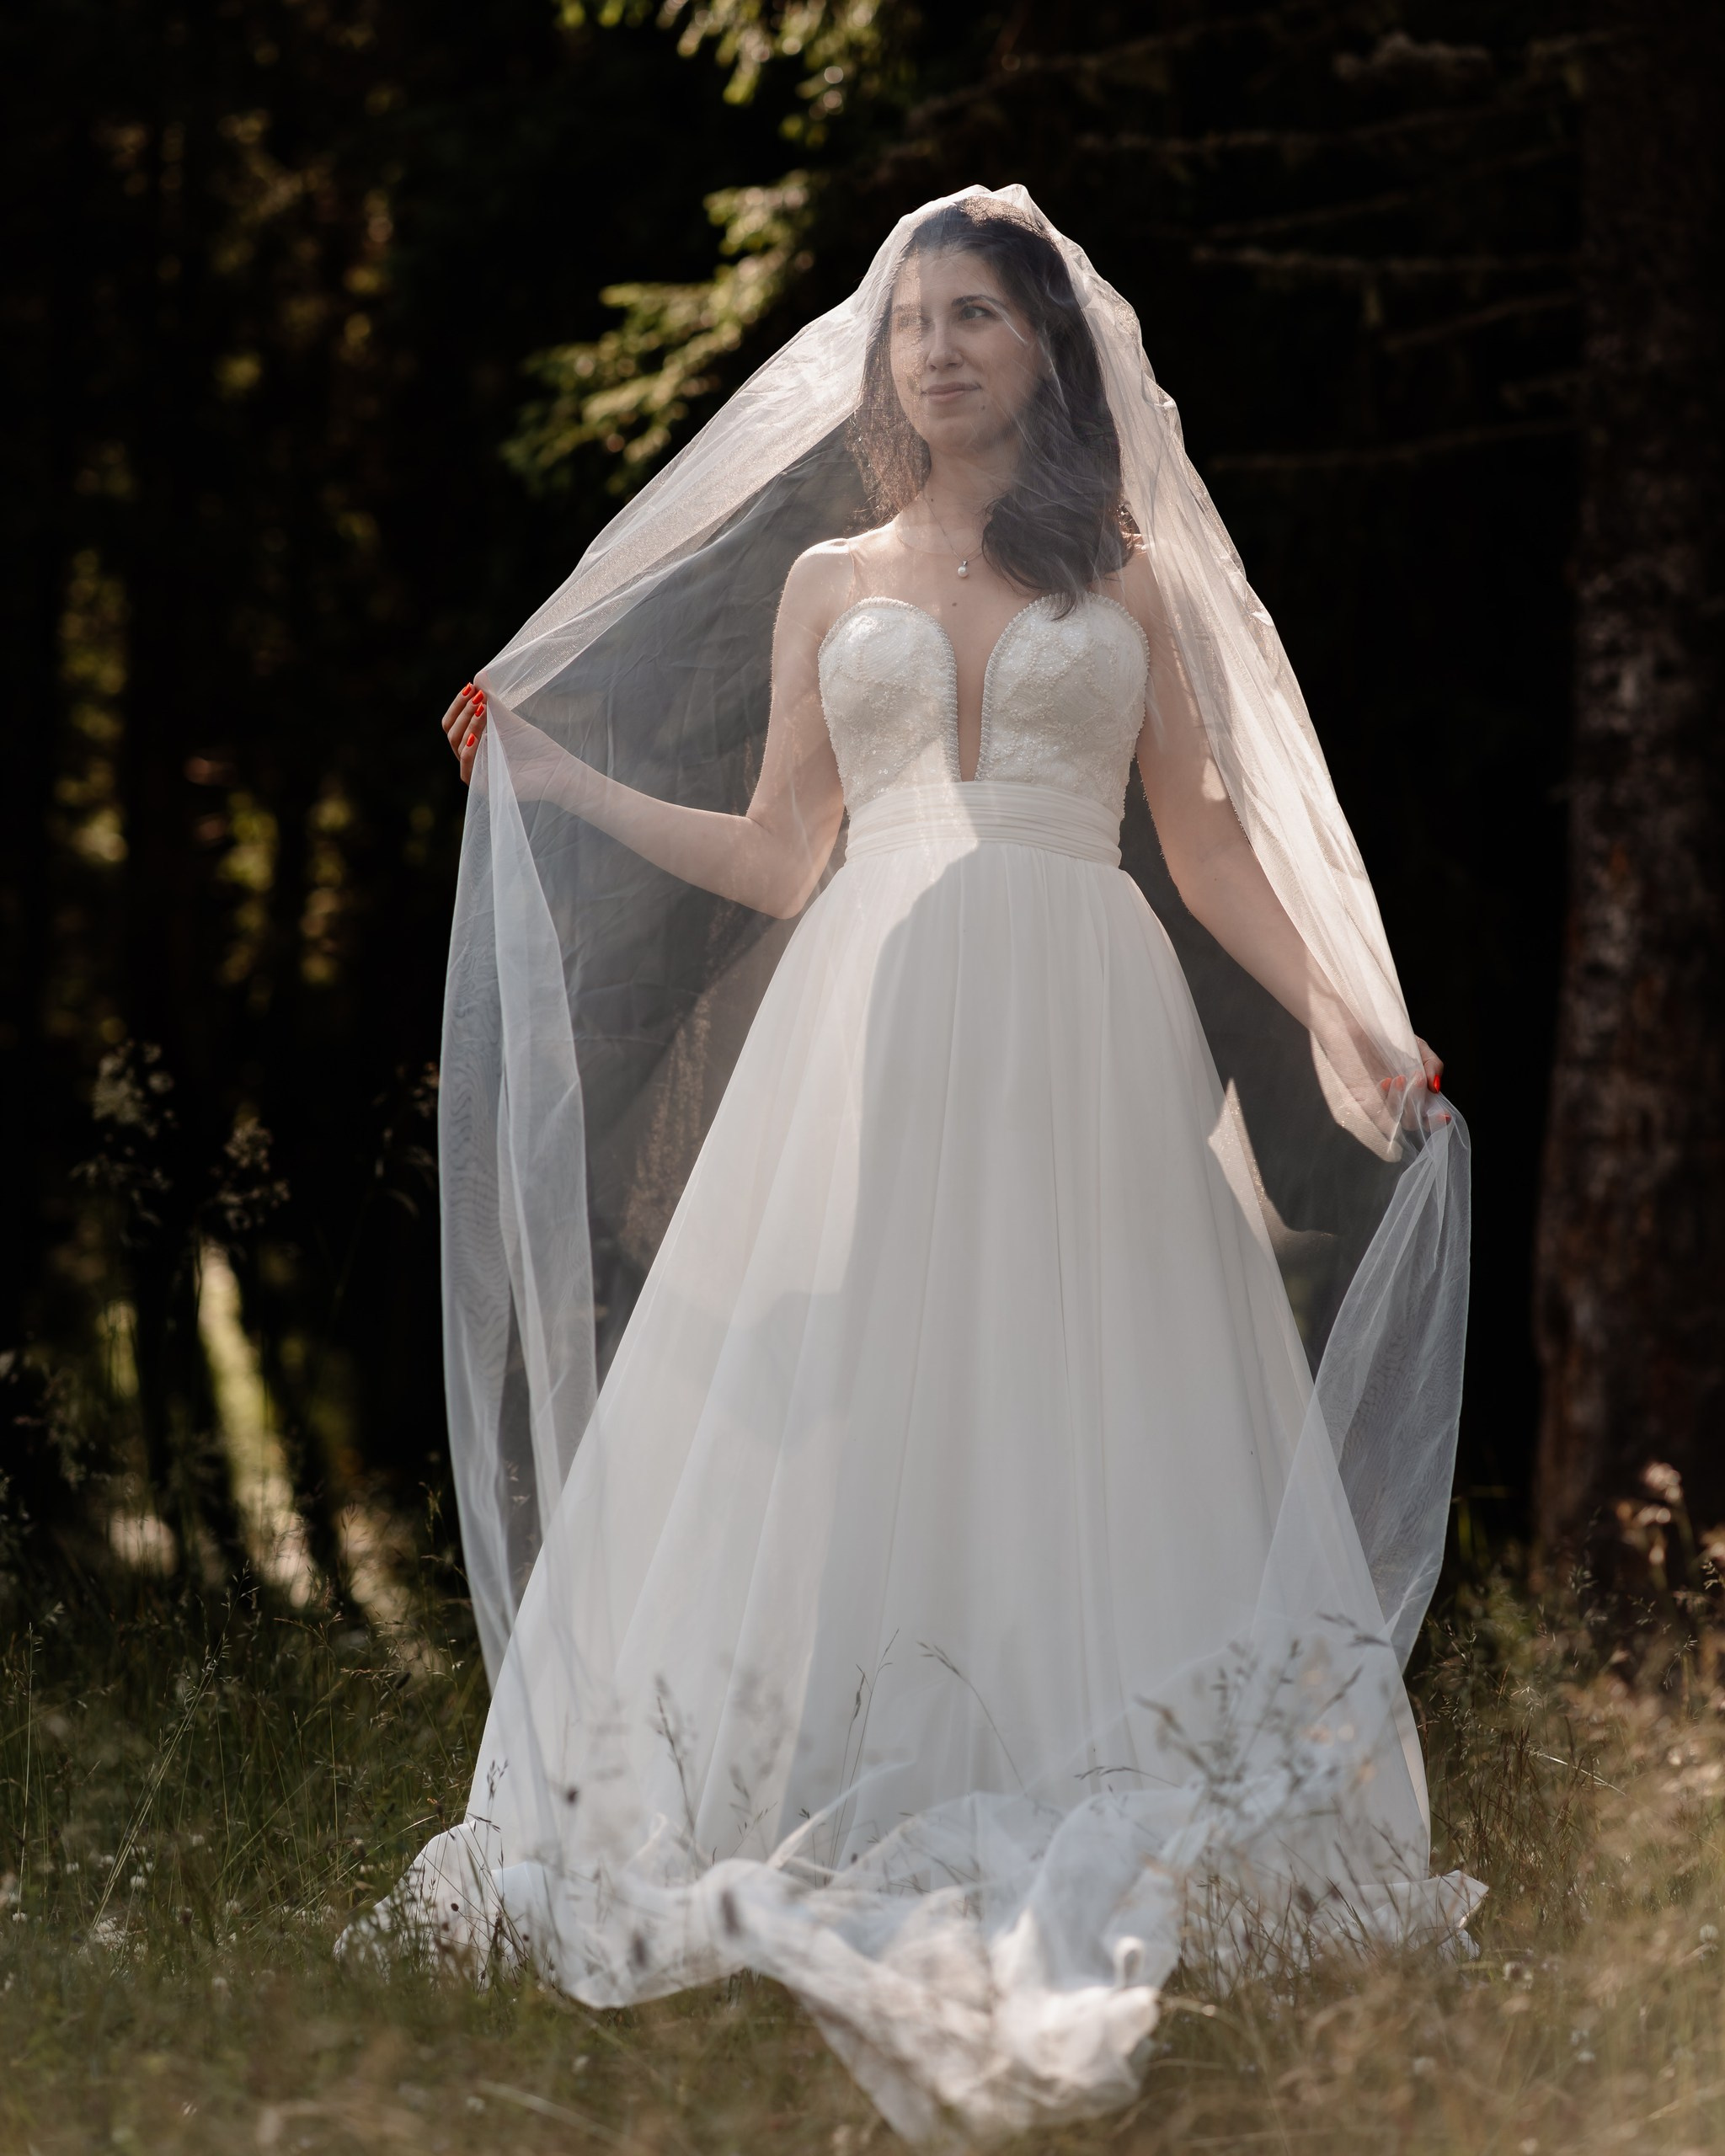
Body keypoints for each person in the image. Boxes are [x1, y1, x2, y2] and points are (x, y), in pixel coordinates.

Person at [352, 190, 1479, 2143]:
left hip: (1078, 1006)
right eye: (914, 321)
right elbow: (790, 850)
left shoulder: (1123, 578)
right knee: (849, 1392)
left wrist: (1336, 1014)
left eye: (977, 318)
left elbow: (1202, 841)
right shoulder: (828, 577)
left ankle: (1117, 1765)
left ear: (1049, 353)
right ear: (882, 365)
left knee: (1090, 1379)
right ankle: (774, 1768)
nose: (940, 347)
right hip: (865, 1017)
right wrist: (555, 778)